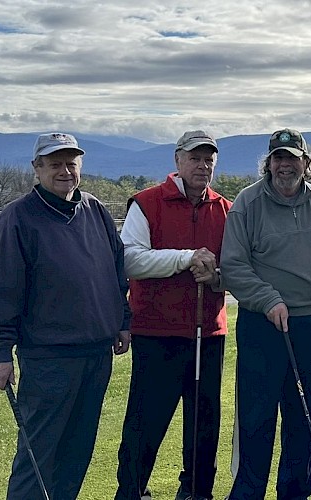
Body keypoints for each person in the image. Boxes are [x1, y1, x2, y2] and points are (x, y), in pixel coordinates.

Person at [0, 132, 131, 499]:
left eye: (71, 163)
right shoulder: (18, 217)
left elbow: (115, 270)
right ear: (37, 168)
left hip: (96, 354)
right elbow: (1, 290)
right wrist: (0, 353)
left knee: (77, 453)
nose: (65, 171)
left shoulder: (94, 210)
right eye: (55, 163)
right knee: (38, 457)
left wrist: (123, 320)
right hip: (48, 358)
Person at [115, 130, 232, 500]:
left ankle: (197, 492)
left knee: (204, 425)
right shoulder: (148, 202)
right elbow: (129, 258)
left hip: (208, 333)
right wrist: (185, 258)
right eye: (195, 158)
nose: (203, 165)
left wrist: (216, 276)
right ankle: (131, 491)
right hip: (157, 332)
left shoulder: (225, 209)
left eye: (208, 159)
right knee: (144, 423)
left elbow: (235, 267)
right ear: (178, 161)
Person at [220, 128, 311, 499]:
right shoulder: (247, 203)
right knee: (257, 419)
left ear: (306, 163)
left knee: (305, 418)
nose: (286, 165)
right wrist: (269, 300)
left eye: (293, 158)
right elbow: (234, 266)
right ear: (268, 164)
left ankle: (295, 492)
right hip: (262, 326)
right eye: (278, 159)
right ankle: (249, 493)